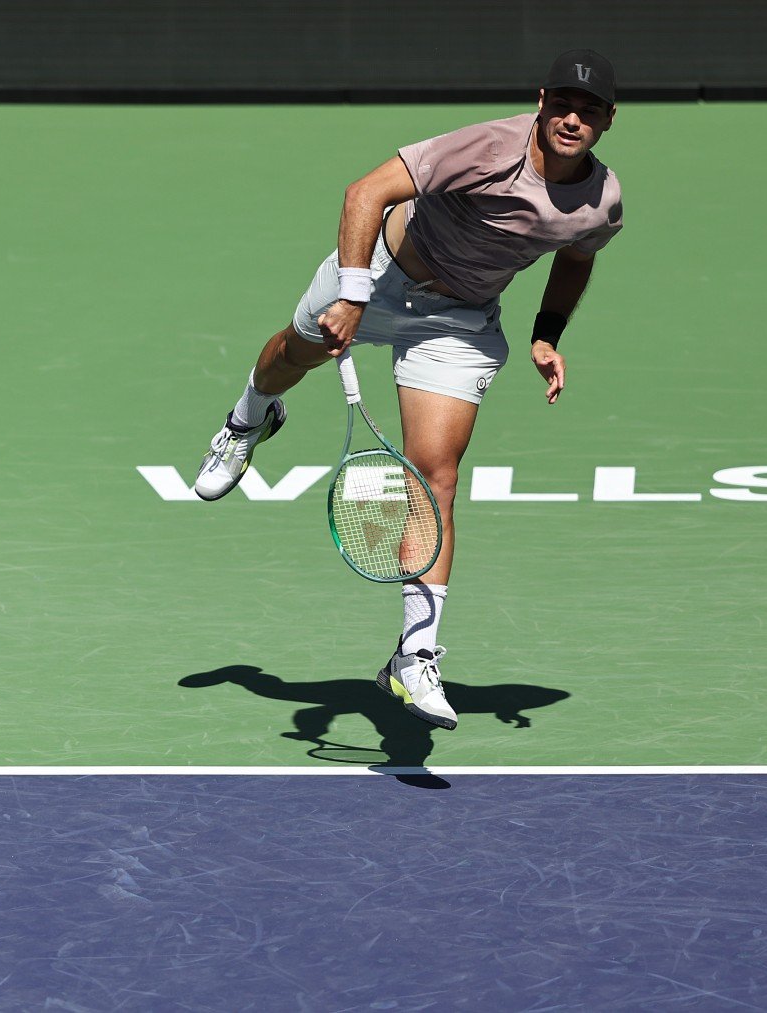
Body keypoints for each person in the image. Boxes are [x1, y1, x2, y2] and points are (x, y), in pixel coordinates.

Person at [192, 50, 624, 731]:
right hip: (383, 276)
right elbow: (365, 192)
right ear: (541, 101)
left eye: (589, 110)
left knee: (435, 477)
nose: (573, 119)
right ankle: (248, 419)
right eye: (563, 103)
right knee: (290, 354)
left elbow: (577, 253)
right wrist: (355, 296)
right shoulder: (486, 147)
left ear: (608, 120)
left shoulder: (601, 198)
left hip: (457, 323)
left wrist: (547, 333)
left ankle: (414, 655)